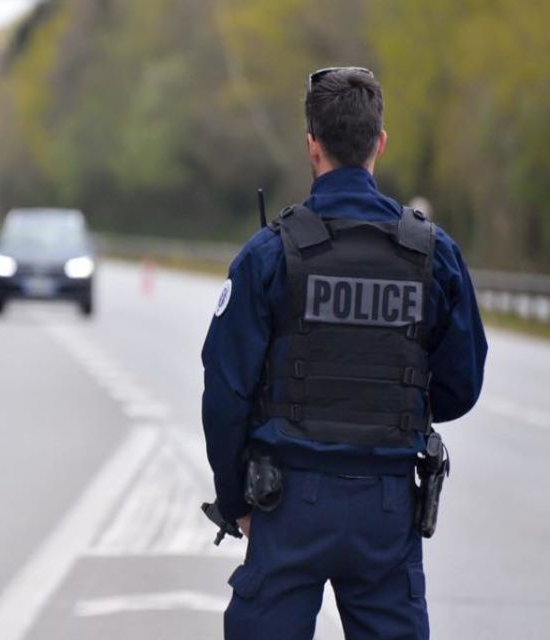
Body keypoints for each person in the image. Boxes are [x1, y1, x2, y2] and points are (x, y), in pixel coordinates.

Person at [201, 67, 487, 640]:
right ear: (379, 142)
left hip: (287, 505)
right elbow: (462, 385)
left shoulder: (269, 255)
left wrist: (237, 504)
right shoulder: (433, 254)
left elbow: (225, 395)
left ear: (312, 144)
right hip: (385, 510)